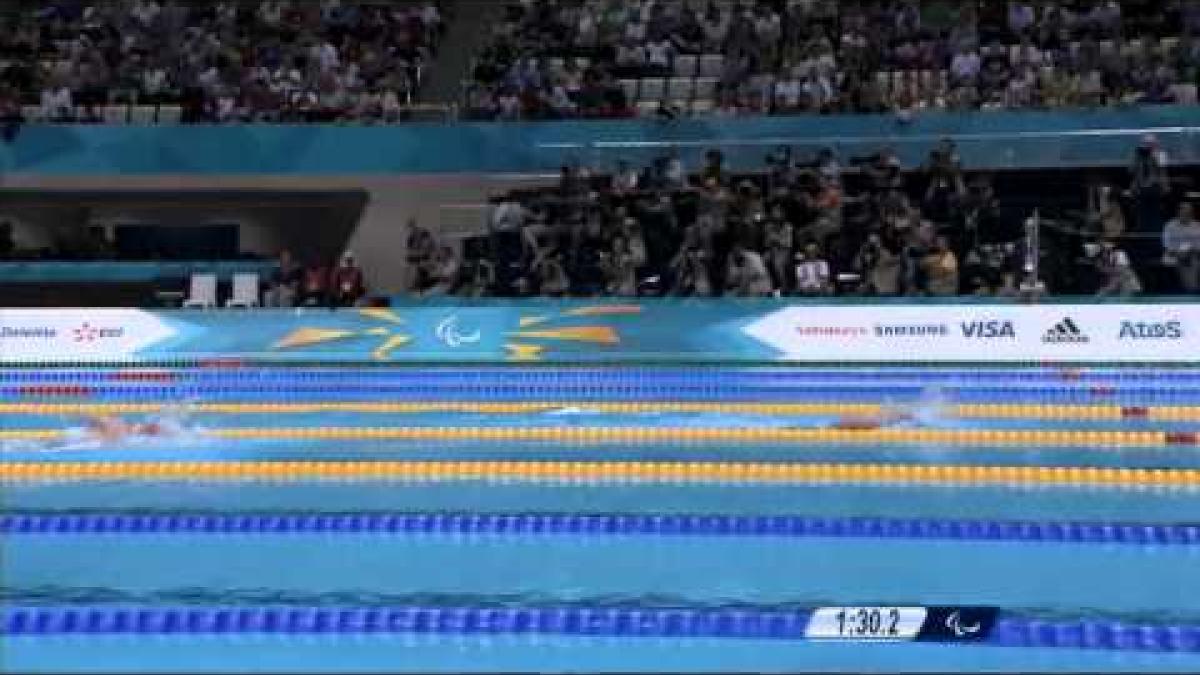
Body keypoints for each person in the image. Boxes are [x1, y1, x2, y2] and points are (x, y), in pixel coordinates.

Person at [1162, 201, 1200, 292]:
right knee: (1184, 260)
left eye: (1189, 211)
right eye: (1184, 211)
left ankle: (1191, 289)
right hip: (1174, 255)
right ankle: (1191, 290)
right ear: (1179, 212)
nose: (1186, 213)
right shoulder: (1170, 226)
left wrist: (1193, 250)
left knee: (1192, 261)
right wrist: (1177, 252)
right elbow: (1166, 244)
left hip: (1194, 255)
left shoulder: (1197, 225)